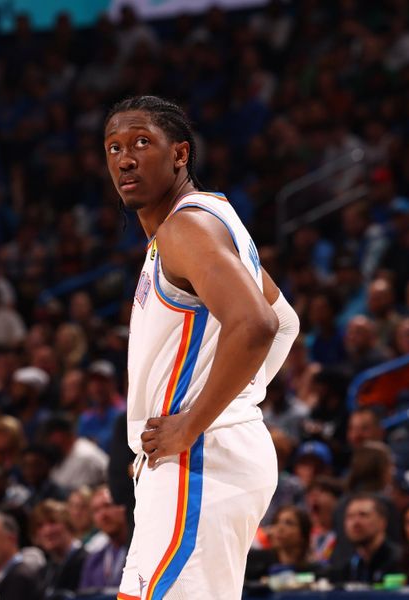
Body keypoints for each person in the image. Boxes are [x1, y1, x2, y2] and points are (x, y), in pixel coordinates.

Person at [104, 96, 299, 599]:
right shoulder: (207, 221)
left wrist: (194, 424)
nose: (125, 159)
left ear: (180, 154)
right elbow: (284, 323)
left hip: (201, 461)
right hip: (202, 459)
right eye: (114, 148)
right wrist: (233, 402)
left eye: (142, 142)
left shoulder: (187, 228)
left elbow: (256, 324)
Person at [329, 493, 401, 585]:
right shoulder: (347, 568)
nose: (356, 522)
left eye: (363, 515)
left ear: (382, 522)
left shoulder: (400, 563)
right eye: (350, 517)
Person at [30, 500, 87, 598]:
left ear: (68, 524)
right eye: (40, 526)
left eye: (53, 522)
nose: (47, 531)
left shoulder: (87, 562)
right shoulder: (44, 572)